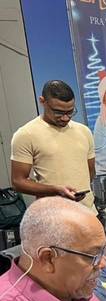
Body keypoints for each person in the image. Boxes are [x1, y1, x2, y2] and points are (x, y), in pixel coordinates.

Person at [10, 80, 97, 212]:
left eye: (70, 112)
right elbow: (18, 182)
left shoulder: (84, 131)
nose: (65, 118)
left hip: (88, 212)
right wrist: (55, 190)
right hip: (52, 215)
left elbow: (90, 172)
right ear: (42, 101)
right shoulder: (26, 134)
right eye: (58, 112)